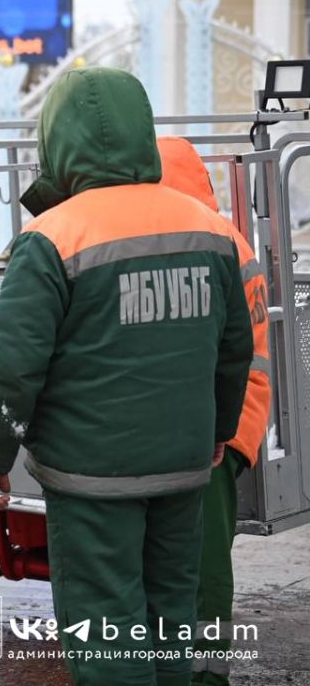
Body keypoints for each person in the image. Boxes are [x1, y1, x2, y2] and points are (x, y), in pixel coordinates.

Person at [0, 68, 253, 686]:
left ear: (57, 144)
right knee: (174, 608)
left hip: (91, 475)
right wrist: (220, 430)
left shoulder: (50, 238)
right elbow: (234, 351)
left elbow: (14, 363)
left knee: (105, 621)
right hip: (183, 464)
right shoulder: (208, 229)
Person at [157, 135, 272, 685]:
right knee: (199, 559)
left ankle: (202, 676)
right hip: (230, 418)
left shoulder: (191, 242)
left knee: (199, 567)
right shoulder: (224, 236)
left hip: (213, 425)